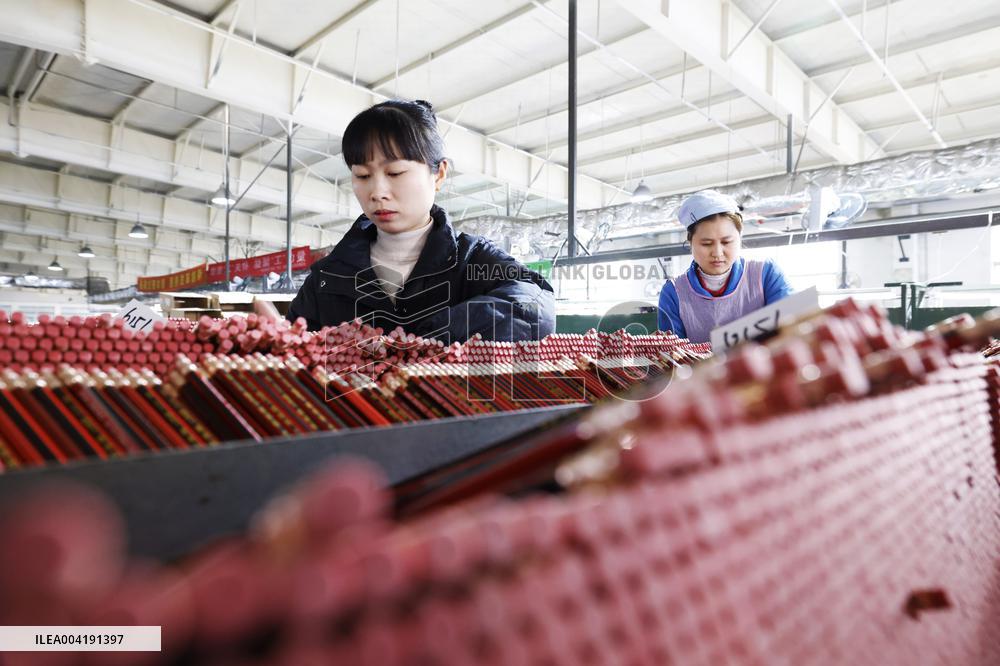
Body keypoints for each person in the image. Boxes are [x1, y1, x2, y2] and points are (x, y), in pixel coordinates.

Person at [279, 99, 555, 343]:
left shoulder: (471, 261)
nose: (377, 193)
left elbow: (534, 304)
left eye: (396, 173)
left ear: (439, 174)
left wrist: (427, 339)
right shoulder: (327, 279)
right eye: (362, 176)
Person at [658, 189, 792, 344]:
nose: (717, 253)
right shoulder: (674, 293)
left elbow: (790, 332)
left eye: (727, 242)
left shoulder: (767, 275)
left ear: (740, 238)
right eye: (706, 243)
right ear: (690, 242)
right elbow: (673, 359)